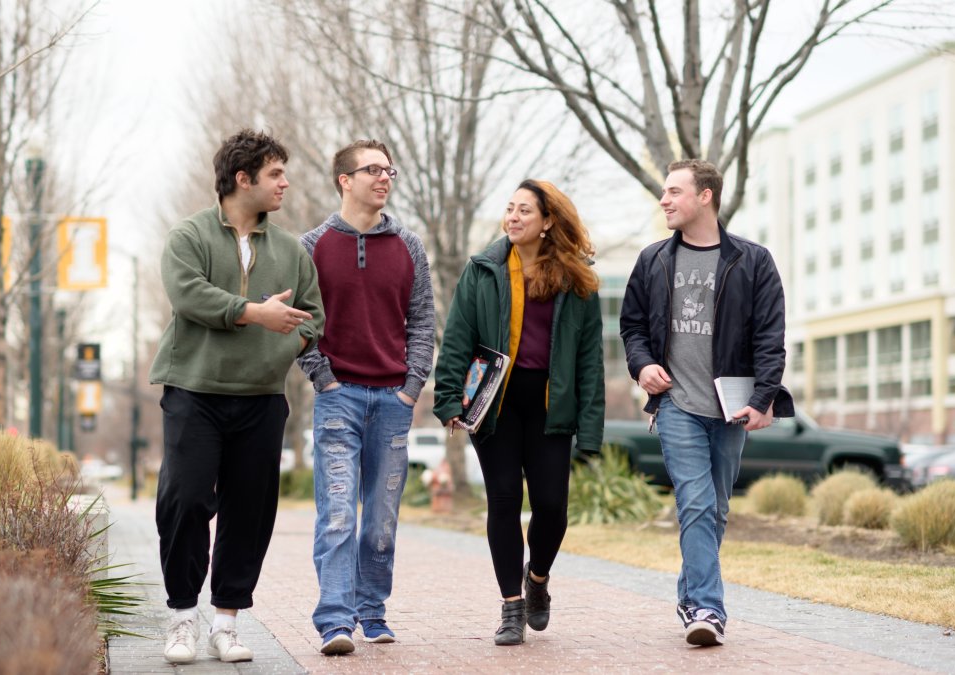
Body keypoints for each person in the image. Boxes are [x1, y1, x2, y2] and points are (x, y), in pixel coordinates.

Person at [149, 129, 324, 665]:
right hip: (194, 391)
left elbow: (313, 317)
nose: (284, 183)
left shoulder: (291, 251)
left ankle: (227, 621)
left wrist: (279, 350)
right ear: (242, 179)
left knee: (250, 511)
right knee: (186, 499)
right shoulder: (189, 236)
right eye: (275, 174)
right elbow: (189, 295)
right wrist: (255, 314)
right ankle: (182, 618)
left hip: (261, 399)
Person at [619, 159, 794, 647]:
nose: (664, 200)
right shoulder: (653, 260)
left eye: (674, 191)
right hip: (676, 404)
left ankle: (689, 593)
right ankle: (708, 609)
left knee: (714, 509)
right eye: (663, 192)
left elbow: (770, 336)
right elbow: (631, 326)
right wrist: (642, 366)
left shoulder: (752, 261)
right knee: (694, 502)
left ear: (705, 197)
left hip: (731, 407)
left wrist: (763, 398)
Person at [434, 179, 604, 646]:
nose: (513, 217)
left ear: (548, 222)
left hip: (551, 406)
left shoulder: (577, 280)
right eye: (509, 208)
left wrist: (590, 430)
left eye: (524, 211)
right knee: (504, 501)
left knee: (552, 507)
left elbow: (590, 361)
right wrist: (449, 399)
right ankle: (511, 606)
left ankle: (539, 579)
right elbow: (457, 338)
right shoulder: (483, 269)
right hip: (496, 404)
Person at [297, 139, 435, 655]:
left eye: (388, 169)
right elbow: (302, 324)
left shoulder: (409, 246)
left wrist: (411, 388)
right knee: (338, 513)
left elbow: (422, 320)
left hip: (392, 403)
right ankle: (335, 620)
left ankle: (371, 611)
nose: (383, 178)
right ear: (344, 180)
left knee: (380, 519)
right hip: (339, 398)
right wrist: (322, 376)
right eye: (372, 169)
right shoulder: (311, 245)